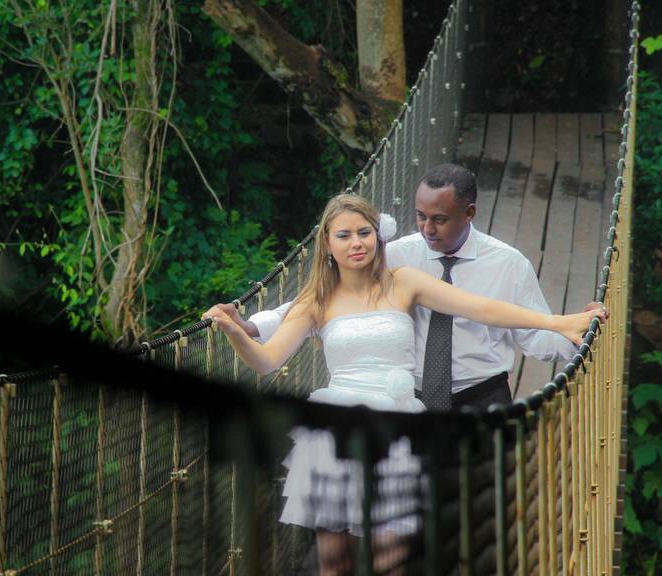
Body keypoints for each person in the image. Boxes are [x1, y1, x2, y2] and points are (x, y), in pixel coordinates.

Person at [202, 193, 602, 575]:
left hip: (396, 427)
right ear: (327, 243)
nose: (356, 243)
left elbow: (481, 308)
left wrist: (557, 322)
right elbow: (266, 362)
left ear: (379, 236)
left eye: (364, 232)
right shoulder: (315, 301)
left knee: (392, 561)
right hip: (334, 433)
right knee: (334, 564)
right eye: (344, 235)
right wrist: (234, 332)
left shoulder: (404, 281)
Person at [215, 163, 606, 410]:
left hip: (481, 394)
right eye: (420, 217)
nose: (426, 229)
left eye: (439, 219)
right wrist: (253, 326)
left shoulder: (507, 263)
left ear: (468, 214)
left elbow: (518, 327)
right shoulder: (394, 254)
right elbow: (323, 296)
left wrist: (572, 329)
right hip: (411, 394)